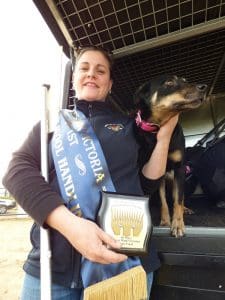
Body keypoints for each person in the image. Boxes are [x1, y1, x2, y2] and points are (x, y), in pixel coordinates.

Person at [2, 45, 179, 300]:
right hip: (53, 270)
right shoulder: (51, 124)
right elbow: (16, 172)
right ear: (74, 80)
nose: (91, 74)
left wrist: (163, 140)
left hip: (121, 266)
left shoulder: (130, 127)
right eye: (84, 68)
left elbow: (146, 185)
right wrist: (71, 226)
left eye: (100, 71)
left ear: (109, 84)